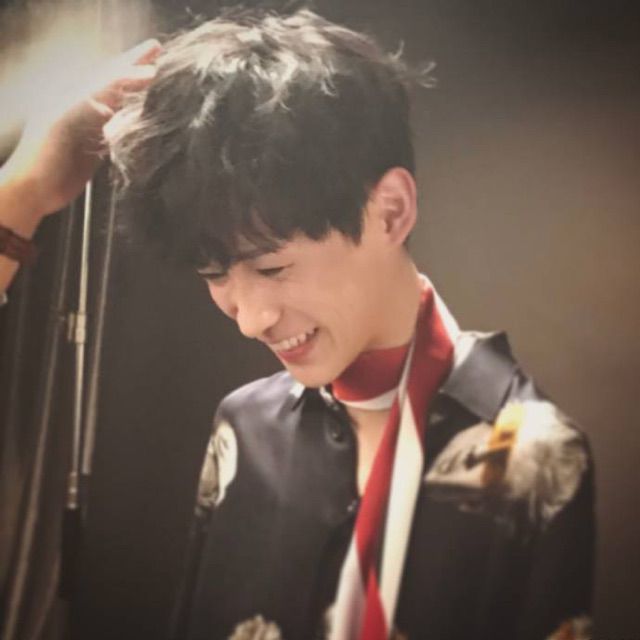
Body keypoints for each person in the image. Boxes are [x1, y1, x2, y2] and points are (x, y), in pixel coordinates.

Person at [1, 8, 594, 640]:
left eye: (273, 268)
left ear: (390, 213)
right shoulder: (244, 426)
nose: (250, 320)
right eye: (214, 273)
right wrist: (26, 188)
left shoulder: (534, 455)